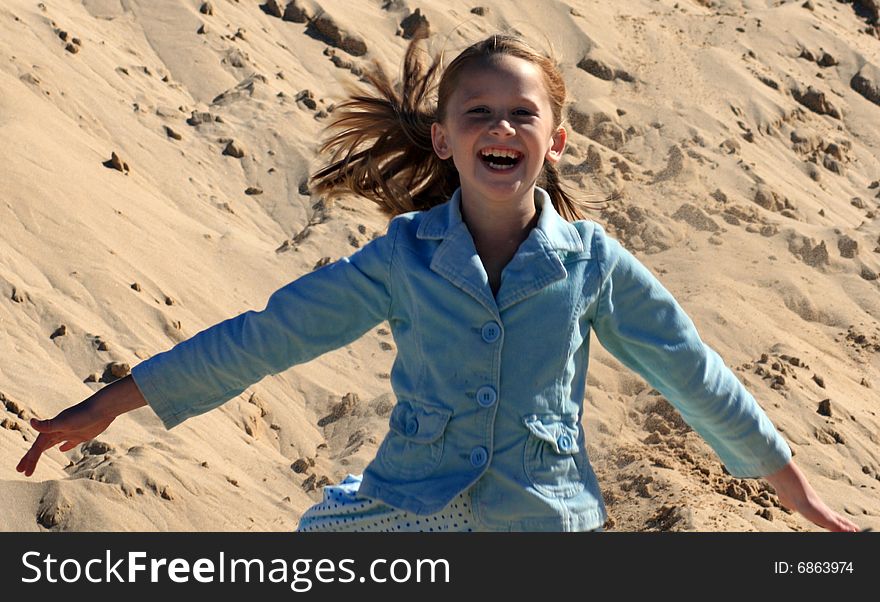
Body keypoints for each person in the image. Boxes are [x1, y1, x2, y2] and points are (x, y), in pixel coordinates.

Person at [16, 34, 859, 533]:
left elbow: (689, 368)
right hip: (408, 511)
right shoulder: (403, 257)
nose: (502, 126)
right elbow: (267, 336)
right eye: (478, 113)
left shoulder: (594, 263)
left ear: (556, 142)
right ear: (445, 139)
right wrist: (113, 404)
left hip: (544, 519)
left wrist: (790, 481)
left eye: (523, 113)